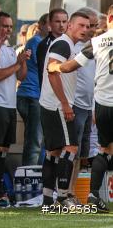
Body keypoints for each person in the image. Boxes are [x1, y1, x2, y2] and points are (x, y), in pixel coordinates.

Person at [50, 6, 112, 212]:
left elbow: (70, 66)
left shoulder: (96, 43)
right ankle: (76, 195)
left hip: (102, 104)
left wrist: (55, 67)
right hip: (94, 102)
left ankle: (93, 195)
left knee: (103, 150)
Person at [38, 11, 90, 209]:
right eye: (81, 25)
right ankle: (62, 197)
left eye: (88, 26)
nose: (85, 29)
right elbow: (53, 71)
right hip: (57, 105)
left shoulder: (70, 45)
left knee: (53, 152)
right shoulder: (63, 43)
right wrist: (65, 103)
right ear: (70, 25)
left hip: (52, 104)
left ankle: (46, 200)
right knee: (71, 149)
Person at [0, 12, 28, 207]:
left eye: (10, 26)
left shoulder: (10, 48)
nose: (8, 30)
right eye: (4, 26)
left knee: (3, 149)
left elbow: (21, 76)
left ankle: (0, 189)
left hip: (10, 104)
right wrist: (17, 64)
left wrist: (22, 61)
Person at [17, 13, 48, 167]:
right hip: (31, 95)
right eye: (51, 23)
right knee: (35, 141)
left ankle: (37, 177)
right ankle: (29, 176)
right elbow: (44, 66)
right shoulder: (36, 41)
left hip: (36, 96)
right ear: (41, 25)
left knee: (38, 141)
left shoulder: (44, 41)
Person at [36, 8, 68, 87]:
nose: (61, 25)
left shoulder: (70, 42)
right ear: (50, 23)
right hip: (51, 93)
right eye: (57, 21)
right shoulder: (45, 44)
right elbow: (45, 72)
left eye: (64, 22)